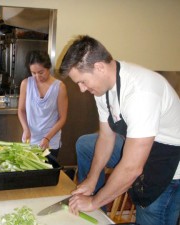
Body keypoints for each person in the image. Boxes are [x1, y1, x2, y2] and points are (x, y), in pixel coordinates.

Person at [59, 35, 180, 225]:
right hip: (141, 144)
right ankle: (101, 211)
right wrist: (92, 179)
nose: (81, 89)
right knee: (86, 145)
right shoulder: (103, 89)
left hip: (168, 160)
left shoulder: (141, 93)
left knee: (148, 211)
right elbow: (106, 138)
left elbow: (132, 167)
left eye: (82, 81)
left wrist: (93, 201)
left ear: (99, 67)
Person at [18, 50, 68, 158]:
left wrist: (47, 138)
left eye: (41, 72)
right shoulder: (26, 84)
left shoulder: (59, 87)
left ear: (48, 68)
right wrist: (26, 129)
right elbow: (21, 110)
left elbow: (62, 118)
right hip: (30, 140)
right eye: (33, 73)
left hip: (50, 142)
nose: (37, 77)